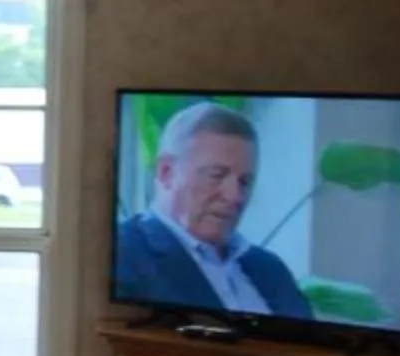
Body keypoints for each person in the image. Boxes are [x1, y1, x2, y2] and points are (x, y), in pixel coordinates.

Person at [114, 102, 312, 320]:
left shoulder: (271, 269)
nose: (235, 196)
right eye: (216, 175)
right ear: (166, 172)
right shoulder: (122, 253)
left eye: (245, 182)